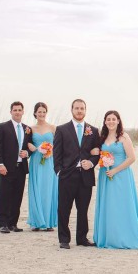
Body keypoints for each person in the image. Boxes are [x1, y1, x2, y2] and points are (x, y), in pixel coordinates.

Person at [93, 111, 138, 249]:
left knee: (121, 204)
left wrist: (115, 170)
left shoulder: (124, 137)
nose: (111, 121)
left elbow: (131, 158)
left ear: (118, 121)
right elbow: (96, 153)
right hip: (105, 175)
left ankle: (124, 237)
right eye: (108, 119)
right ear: (105, 121)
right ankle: (109, 237)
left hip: (121, 175)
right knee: (108, 205)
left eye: (114, 119)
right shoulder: (102, 137)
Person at [53, 99, 101, 249]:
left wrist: (92, 162)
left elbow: (97, 152)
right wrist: (59, 171)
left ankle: (82, 238)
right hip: (67, 175)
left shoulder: (93, 130)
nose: (79, 111)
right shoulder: (62, 129)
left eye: (82, 108)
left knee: (83, 209)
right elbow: (57, 153)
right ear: (72, 109)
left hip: (85, 177)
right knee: (64, 208)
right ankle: (64, 239)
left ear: (85, 110)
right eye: (77, 108)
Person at [0, 101, 31, 233]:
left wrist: (27, 153)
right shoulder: (2, 127)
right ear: (10, 112)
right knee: (4, 195)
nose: (17, 112)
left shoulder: (27, 128)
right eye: (15, 110)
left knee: (17, 195)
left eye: (19, 110)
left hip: (21, 167)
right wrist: (0, 164)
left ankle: (13, 223)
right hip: (6, 167)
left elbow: (30, 146)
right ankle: (3, 223)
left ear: (23, 112)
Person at [26, 102, 58, 231]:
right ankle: (36, 221)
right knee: (36, 189)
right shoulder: (30, 128)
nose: (42, 114)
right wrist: (30, 146)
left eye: (44, 111)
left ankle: (48, 221)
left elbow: (59, 144)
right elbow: (26, 142)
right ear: (35, 113)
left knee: (49, 189)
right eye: (39, 112)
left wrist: (51, 151)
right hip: (36, 160)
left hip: (49, 161)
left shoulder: (52, 128)